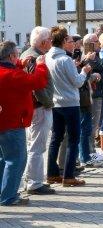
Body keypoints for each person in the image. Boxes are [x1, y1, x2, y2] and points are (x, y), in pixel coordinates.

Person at [0, 41, 48, 206]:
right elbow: (38, 82)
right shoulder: (12, 75)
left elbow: (14, 70)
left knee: (4, 159)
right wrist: (41, 66)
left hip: (4, 121)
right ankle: (9, 197)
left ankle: (3, 192)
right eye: (17, 54)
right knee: (17, 160)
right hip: (12, 123)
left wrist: (21, 63)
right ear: (12, 56)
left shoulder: (8, 71)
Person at [45, 26, 91, 187]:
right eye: (71, 41)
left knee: (55, 138)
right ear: (64, 41)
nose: (73, 44)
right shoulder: (65, 59)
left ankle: (51, 173)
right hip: (70, 103)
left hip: (55, 103)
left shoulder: (47, 57)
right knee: (73, 139)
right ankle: (69, 175)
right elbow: (77, 82)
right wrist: (84, 71)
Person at [20, 27, 56, 195]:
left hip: (35, 107)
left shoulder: (29, 54)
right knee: (37, 146)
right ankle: (34, 182)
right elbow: (37, 86)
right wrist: (48, 102)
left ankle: (32, 179)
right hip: (39, 107)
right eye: (49, 39)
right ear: (43, 42)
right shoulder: (34, 57)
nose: (51, 42)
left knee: (34, 144)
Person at [77, 39, 103, 168]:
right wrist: (87, 62)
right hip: (81, 99)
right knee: (85, 130)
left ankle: (86, 156)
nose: (97, 43)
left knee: (87, 129)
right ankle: (85, 157)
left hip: (86, 97)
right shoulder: (71, 58)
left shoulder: (86, 58)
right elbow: (79, 78)